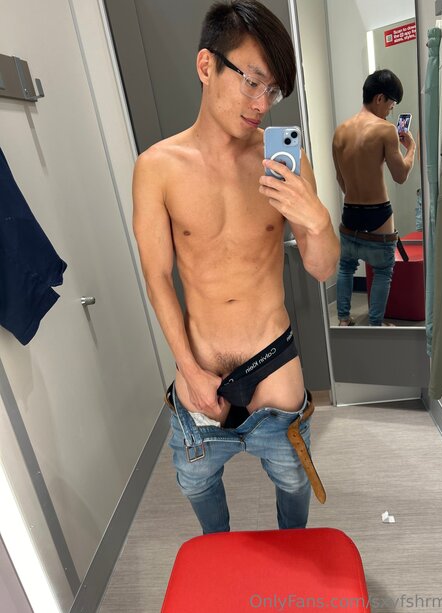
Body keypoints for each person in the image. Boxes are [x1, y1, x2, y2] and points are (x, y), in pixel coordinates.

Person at [132, 0, 339, 534]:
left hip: (274, 367)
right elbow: (157, 277)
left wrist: (317, 220)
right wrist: (189, 370)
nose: (262, 103)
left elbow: (323, 270)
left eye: (273, 90)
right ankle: (218, 557)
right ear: (207, 66)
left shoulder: (283, 161)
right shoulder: (157, 168)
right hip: (200, 373)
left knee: (293, 483)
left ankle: (293, 556)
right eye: (251, 81)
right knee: (197, 486)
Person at [332, 69, 416, 327]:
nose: (391, 110)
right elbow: (400, 175)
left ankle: (343, 319)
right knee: (382, 271)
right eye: (392, 103)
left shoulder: (340, 131)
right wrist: (411, 148)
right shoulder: (385, 130)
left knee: (346, 267)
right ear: (380, 98)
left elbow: (340, 180)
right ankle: (375, 325)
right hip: (378, 212)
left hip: (350, 212)